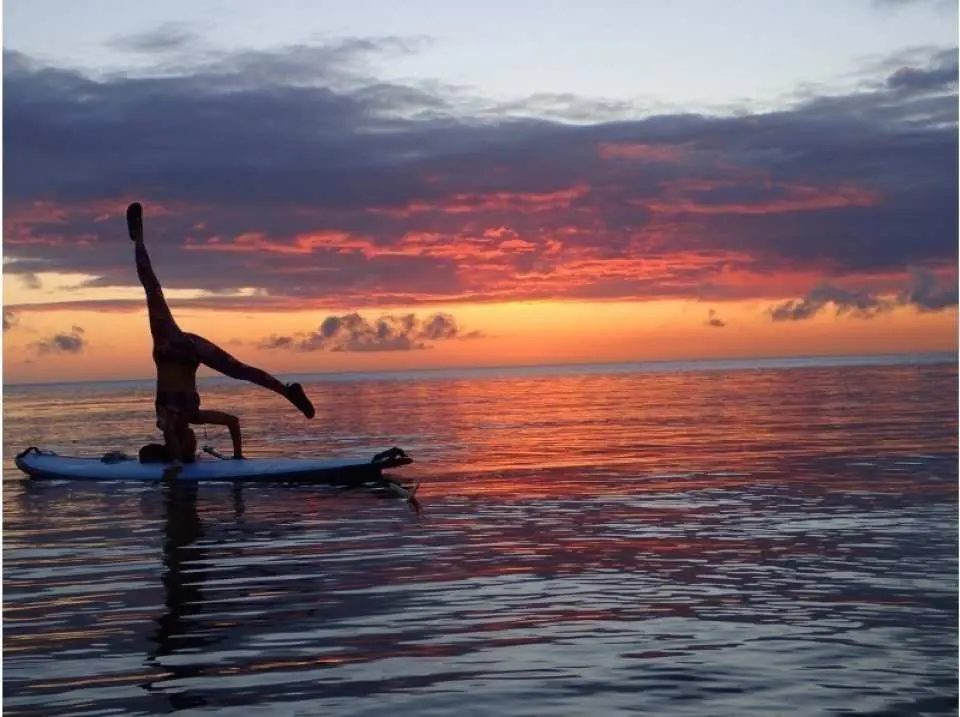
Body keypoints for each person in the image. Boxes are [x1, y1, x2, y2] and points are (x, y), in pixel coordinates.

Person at [127, 201, 314, 478]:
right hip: (190, 351)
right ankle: (287, 391)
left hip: (168, 344)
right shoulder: (194, 418)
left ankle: (138, 236)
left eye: (189, 446)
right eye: (193, 448)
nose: (194, 444)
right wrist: (238, 457)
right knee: (239, 370)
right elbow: (232, 422)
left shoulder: (166, 422)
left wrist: (178, 463)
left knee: (152, 289)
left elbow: (174, 444)